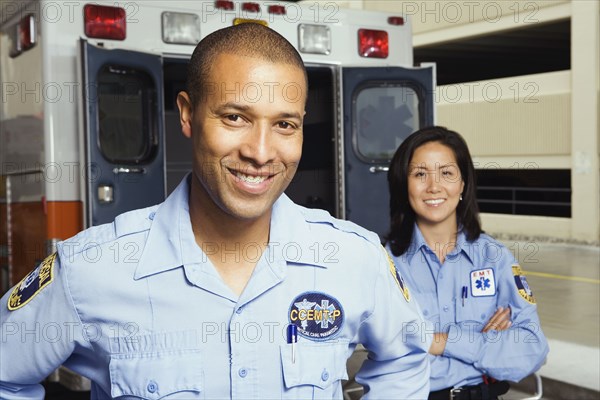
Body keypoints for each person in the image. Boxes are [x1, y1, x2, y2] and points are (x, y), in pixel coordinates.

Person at [0, 23, 431, 399]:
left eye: (284, 124)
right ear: (187, 115)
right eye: (235, 118)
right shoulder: (89, 269)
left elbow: (405, 360)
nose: (260, 153)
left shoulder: (356, 258)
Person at [385, 126, 549, 400]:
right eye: (420, 174)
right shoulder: (383, 264)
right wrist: (486, 343)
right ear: (404, 184)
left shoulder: (495, 259)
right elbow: (385, 346)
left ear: (463, 184)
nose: (434, 186)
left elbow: (532, 348)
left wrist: (441, 341)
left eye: (447, 173)